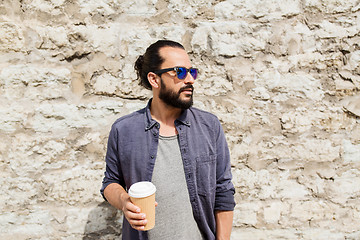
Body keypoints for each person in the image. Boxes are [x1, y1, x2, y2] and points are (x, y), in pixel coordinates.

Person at [100, 40, 236, 240]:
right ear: (154, 79)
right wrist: (123, 201)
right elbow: (110, 182)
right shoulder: (124, 130)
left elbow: (223, 191)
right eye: (180, 72)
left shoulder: (209, 126)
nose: (190, 79)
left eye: (192, 72)